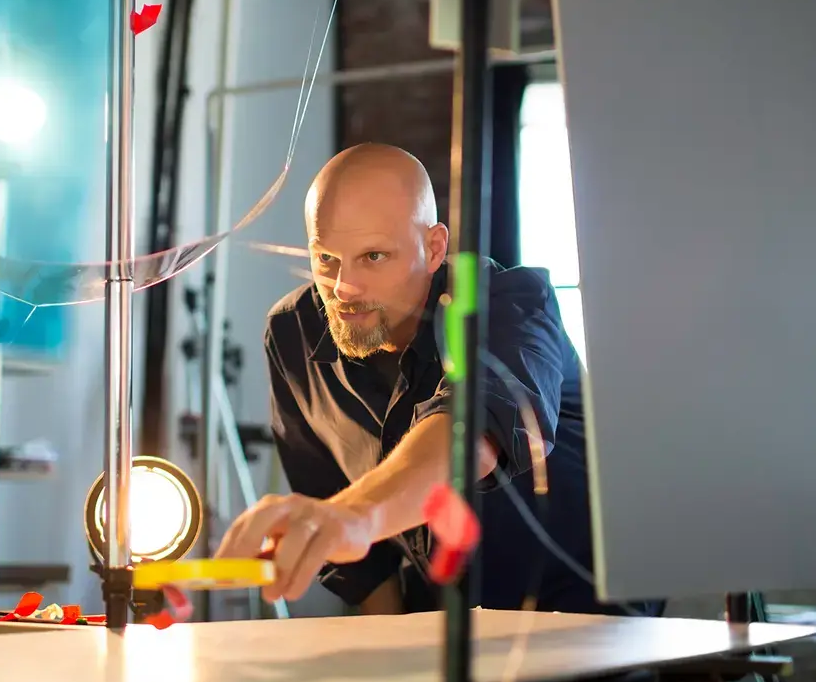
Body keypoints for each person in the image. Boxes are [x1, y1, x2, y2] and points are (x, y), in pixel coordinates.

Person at [216, 143, 660, 617]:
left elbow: (469, 437)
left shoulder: (512, 307)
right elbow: (356, 553)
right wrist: (392, 674)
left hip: (593, 627)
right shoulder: (293, 333)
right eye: (326, 259)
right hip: (442, 631)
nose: (343, 288)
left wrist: (352, 517)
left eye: (373, 257)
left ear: (433, 248)